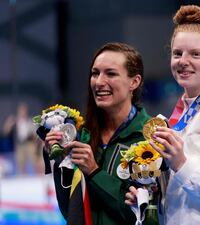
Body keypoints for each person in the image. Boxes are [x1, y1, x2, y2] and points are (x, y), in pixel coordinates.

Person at [126, 5, 200, 225]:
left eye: (195, 54)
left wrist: (181, 163)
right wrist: (152, 194)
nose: (183, 61)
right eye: (177, 53)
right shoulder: (179, 116)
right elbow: (183, 195)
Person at [45, 42, 153, 225]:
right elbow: (69, 211)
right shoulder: (83, 135)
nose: (99, 82)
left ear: (134, 82)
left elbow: (141, 216)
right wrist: (60, 161)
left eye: (110, 73)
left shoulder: (149, 138)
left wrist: (94, 172)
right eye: (95, 73)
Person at [3, 102, 38, 175]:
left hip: (29, 143)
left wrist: (35, 143)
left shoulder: (29, 121)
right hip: (19, 144)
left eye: (24, 111)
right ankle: (23, 179)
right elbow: (6, 131)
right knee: (20, 163)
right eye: (21, 111)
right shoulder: (15, 121)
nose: (22, 112)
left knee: (34, 161)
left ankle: (36, 177)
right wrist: (9, 122)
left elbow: (35, 134)